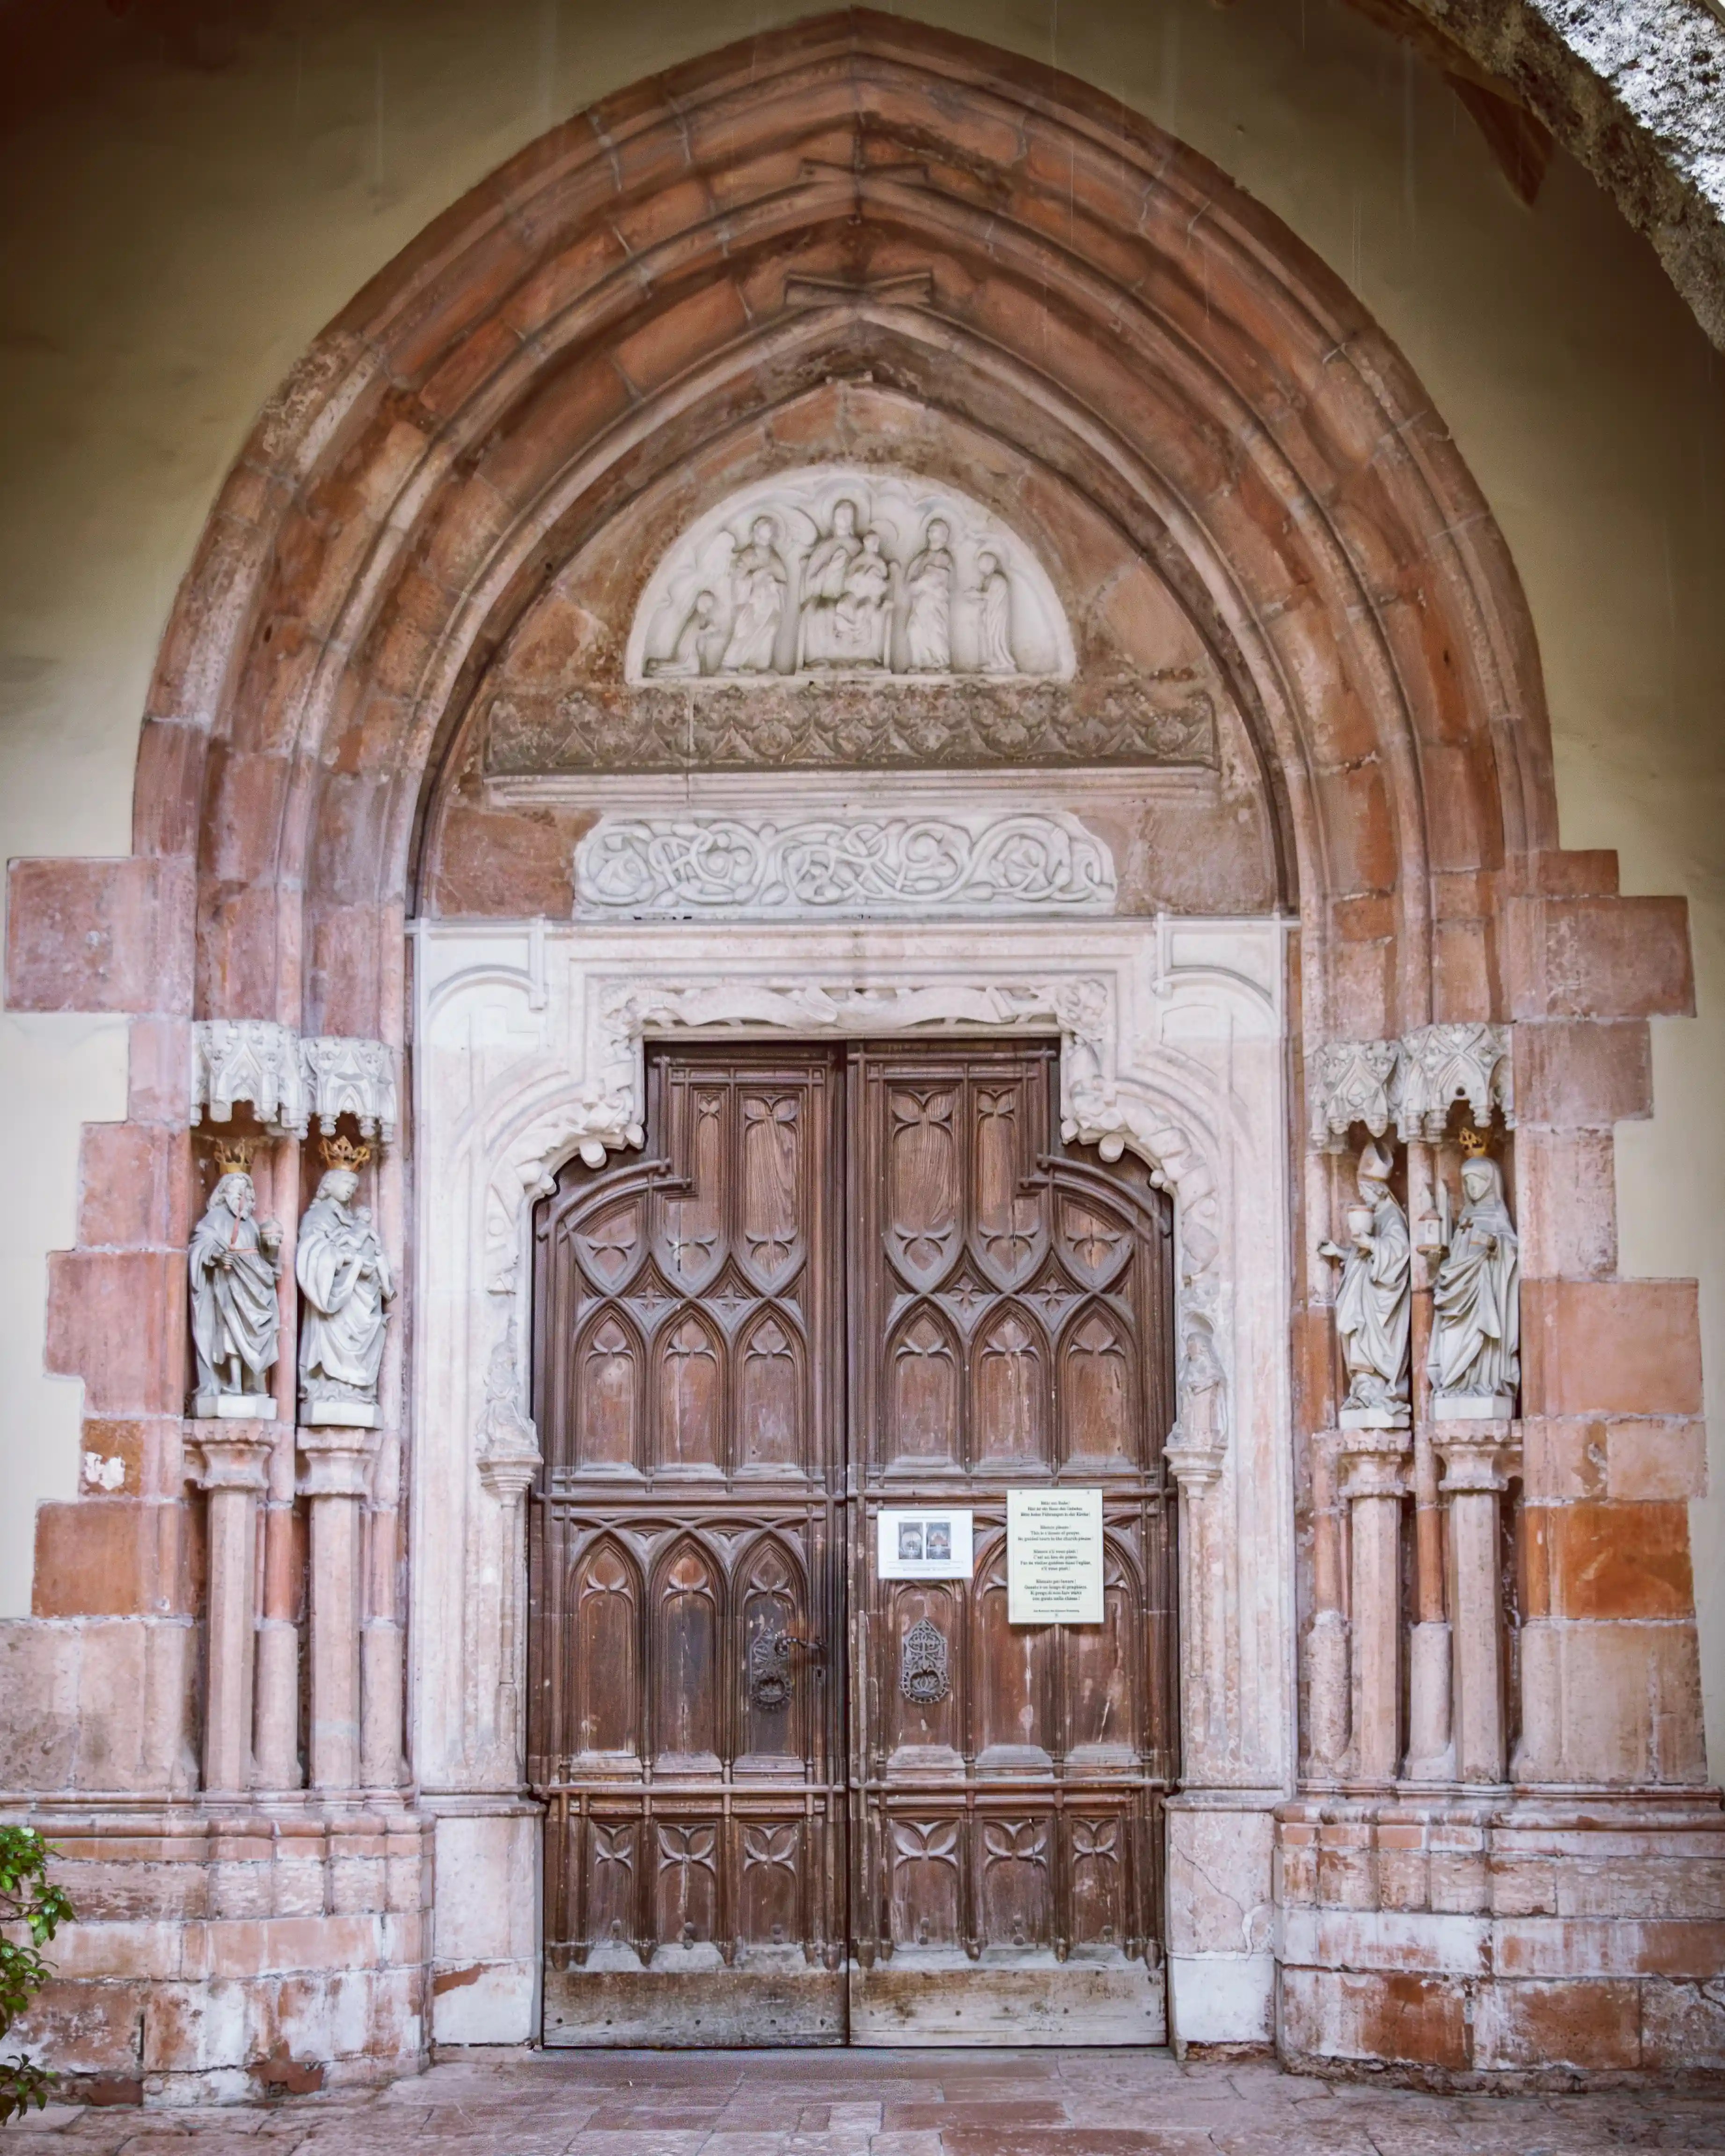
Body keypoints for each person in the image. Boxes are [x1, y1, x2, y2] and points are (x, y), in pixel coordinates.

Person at [1317, 1138, 1411, 1420]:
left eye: (1366, 1191)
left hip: (1381, 1301)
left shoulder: (1392, 1216)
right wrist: (1341, 1251)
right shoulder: (1375, 1216)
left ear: (1379, 1190)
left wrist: (1371, 1244)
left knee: (1371, 1341)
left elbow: (1399, 1253)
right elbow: (1362, 1259)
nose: (1364, 1196)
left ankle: (1379, 1391)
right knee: (1356, 1336)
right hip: (1363, 1295)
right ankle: (1363, 1390)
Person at [297, 1162, 395, 1412]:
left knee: (365, 1328)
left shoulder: (352, 1220)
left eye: (354, 1185)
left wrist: (369, 1262)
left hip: (359, 1294)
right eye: (346, 1184)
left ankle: (355, 1391)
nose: (351, 1190)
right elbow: (311, 1253)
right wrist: (347, 1259)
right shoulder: (317, 1217)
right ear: (328, 1185)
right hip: (333, 1296)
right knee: (331, 1338)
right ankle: (328, 1387)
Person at [1428, 1138, 1520, 1406]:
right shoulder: (1466, 1217)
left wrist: (1496, 1245)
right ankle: (1457, 1384)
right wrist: (1441, 1265)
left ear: (1491, 1182)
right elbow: (1457, 1257)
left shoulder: (1497, 1214)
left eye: (1478, 1180)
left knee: (1482, 1339)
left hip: (1483, 1293)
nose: (1472, 1187)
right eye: (1468, 1182)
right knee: (1452, 1341)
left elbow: (1511, 1250)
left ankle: (1483, 1382)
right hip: (1458, 1293)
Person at [189, 1167, 283, 1403]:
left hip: (254, 1287)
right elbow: (200, 1245)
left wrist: (272, 1251)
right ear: (225, 1193)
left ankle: (253, 1384)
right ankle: (233, 1384)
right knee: (230, 1334)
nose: (243, 1197)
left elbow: (263, 1257)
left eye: (247, 1192)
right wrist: (217, 1256)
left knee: (260, 1331)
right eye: (237, 1191)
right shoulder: (216, 1219)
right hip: (229, 1287)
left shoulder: (250, 1224)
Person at [720, 519, 786, 672]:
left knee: (770, 628)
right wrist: (754, 577)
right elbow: (738, 580)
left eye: (771, 530)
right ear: (756, 531)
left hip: (769, 605)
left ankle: (760, 666)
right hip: (751, 603)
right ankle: (731, 666)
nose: (768, 532)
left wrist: (776, 587)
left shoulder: (774, 558)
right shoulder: (749, 555)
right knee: (744, 631)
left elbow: (783, 583)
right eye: (765, 529)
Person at [902, 518, 953, 671]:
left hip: (935, 605)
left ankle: (939, 663)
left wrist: (925, 581)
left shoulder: (945, 557)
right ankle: (919, 663)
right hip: (920, 604)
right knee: (914, 629)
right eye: (930, 529)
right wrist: (923, 582)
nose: (930, 532)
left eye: (935, 529)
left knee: (936, 631)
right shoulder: (921, 558)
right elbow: (910, 584)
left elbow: (942, 579)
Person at [974, 549, 1016, 673]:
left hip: (997, 615)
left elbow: (990, 596)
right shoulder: (987, 579)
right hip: (989, 614)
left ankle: (1002, 662)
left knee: (996, 637)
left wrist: (976, 594)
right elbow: (985, 599)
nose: (980, 566)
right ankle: (992, 661)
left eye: (982, 563)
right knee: (987, 637)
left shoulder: (998, 579)